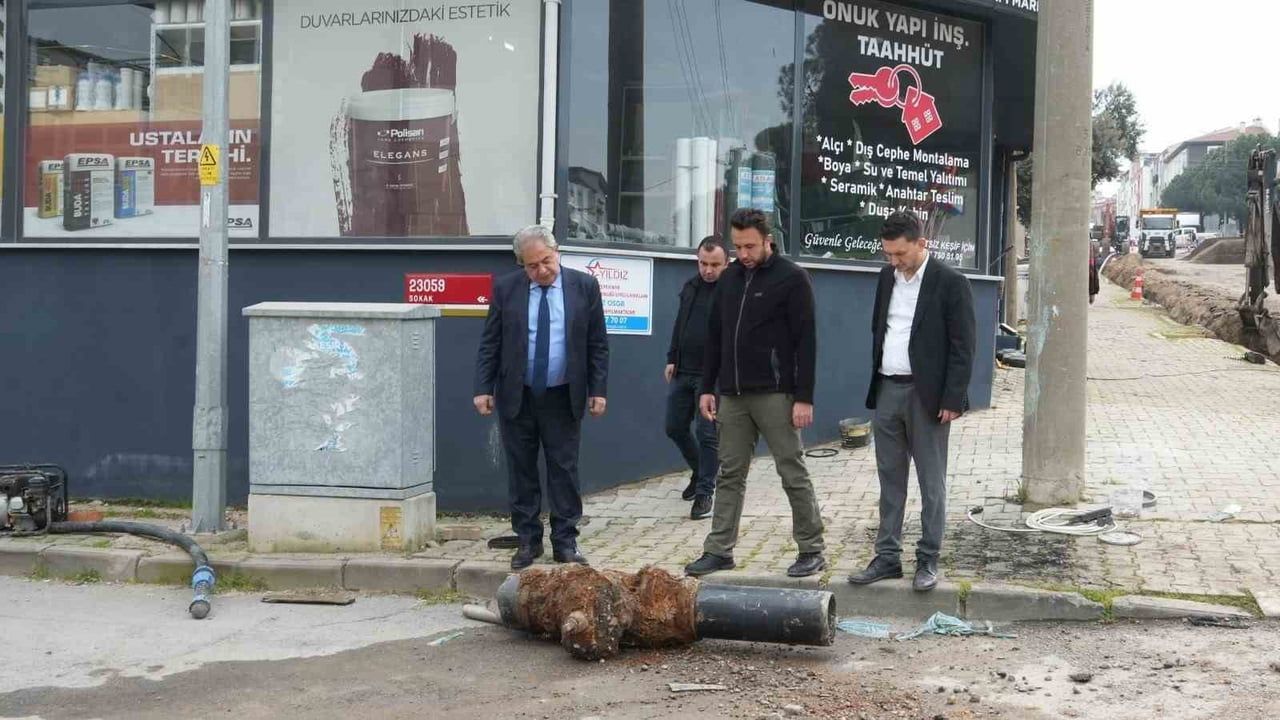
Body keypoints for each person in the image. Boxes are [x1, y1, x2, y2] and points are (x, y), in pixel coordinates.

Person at [684, 208, 826, 578]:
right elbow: (715, 338)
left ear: (767, 240)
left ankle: (811, 548)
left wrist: (804, 396)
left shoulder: (792, 279)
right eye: (737, 246)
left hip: (777, 394)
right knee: (729, 474)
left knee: (791, 470)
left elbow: (806, 342)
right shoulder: (729, 279)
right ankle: (718, 550)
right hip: (731, 395)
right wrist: (707, 389)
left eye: (749, 246)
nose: (743, 253)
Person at [848, 211, 975, 592]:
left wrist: (953, 397)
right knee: (890, 478)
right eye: (888, 254)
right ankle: (887, 557)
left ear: (922, 244)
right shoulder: (886, 277)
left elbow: (963, 346)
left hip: (929, 396)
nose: (894, 262)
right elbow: (879, 328)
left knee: (931, 482)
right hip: (888, 389)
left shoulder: (950, 282)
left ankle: (928, 558)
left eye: (900, 253)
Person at [473, 225, 609, 571]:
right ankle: (527, 540)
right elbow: (491, 342)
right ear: (522, 265)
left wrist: (598, 390)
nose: (541, 271)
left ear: (556, 252)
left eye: (546, 261)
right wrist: (482, 387)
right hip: (517, 395)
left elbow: (597, 344)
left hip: (564, 395)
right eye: (532, 266)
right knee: (522, 470)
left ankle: (565, 541)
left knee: (563, 469)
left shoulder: (584, 286)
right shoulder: (507, 289)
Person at [665, 236, 729, 520]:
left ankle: (705, 492)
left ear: (726, 264)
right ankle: (699, 471)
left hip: (711, 375)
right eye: (703, 263)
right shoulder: (690, 286)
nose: (708, 270)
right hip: (683, 370)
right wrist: (672, 357)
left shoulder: (731, 291)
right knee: (674, 427)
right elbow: (681, 323)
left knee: (707, 434)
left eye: (715, 264)